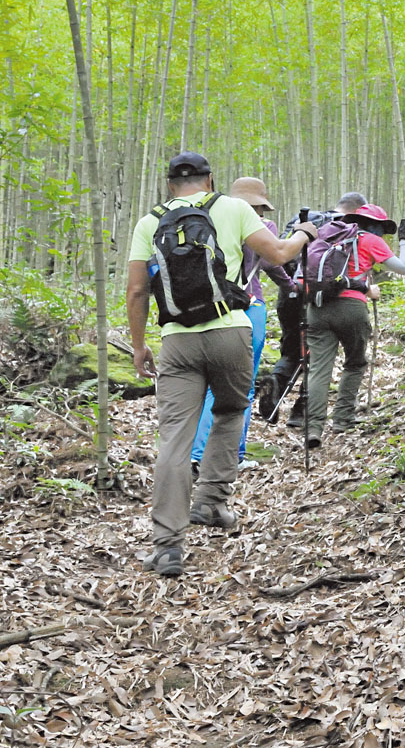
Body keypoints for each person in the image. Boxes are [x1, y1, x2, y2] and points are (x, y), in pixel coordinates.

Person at [126, 151, 317, 577]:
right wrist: (304, 232)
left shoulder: (148, 222)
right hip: (231, 331)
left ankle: (168, 547)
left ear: (169, 184)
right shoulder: (233, 208)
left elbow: (137, 291)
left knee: (175, 439)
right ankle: (212, 502)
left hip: (176, 339)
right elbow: (281, 254)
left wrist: (139, 346)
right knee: (231, 409)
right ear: (210, 180)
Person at [190, 176, 296, 473]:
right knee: (243, 386)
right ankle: (233, 454)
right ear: (261, 205)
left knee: (209, 385)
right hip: (249, 308)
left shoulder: (210, 221)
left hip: (207, 309)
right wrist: (292, 286)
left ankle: (196, 454)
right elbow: (274, 264)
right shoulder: (264, 228)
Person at [305, 203, 405, 447]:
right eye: (382, 229)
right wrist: (404, 241)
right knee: (355, 363)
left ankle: (314, 428)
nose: (382, 234)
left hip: (317, 307)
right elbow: (404, 268)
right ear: (375, 226)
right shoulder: (370, 240)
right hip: (351, 307)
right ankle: (342, 419)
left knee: (320, 368)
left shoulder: (326, 236)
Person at [258, 191, 368, 423]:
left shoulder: (307, 222)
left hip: (289, 291)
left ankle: (276, 382)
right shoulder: (345, 228)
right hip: (318, 298)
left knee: (290, 350)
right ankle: (300, 413)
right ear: (357, 210)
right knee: (317, 356)